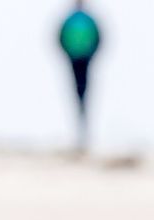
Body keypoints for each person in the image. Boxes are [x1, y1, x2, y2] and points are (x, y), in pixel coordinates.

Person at [59, 0, 101, 149]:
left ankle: (83, 129)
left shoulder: (83, 20)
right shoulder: (73, 20)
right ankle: (80, 128)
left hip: (83, 59)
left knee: (82, 91)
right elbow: (60, 38)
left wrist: (90, 55)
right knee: (79, 91)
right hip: (76, 59)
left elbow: (98, 38)